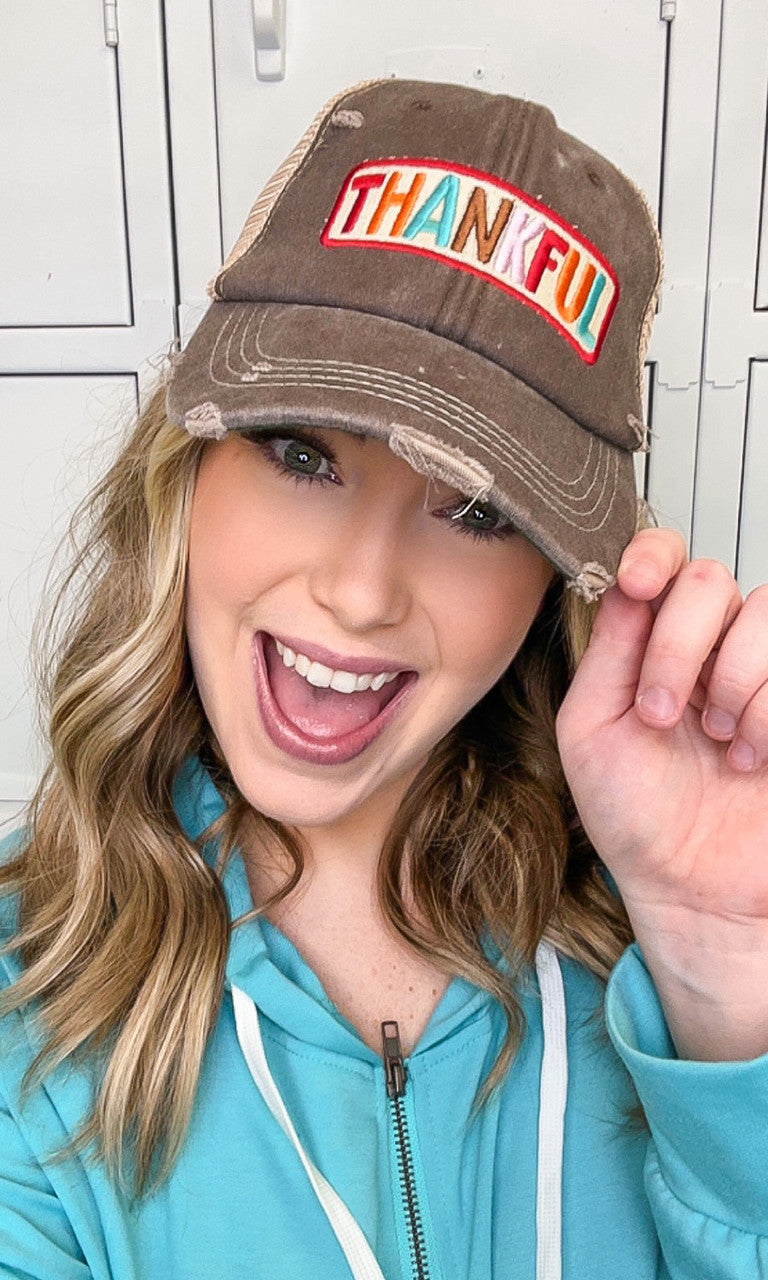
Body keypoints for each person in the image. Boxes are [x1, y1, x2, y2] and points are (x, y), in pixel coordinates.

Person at [1, 77, 767, 1280]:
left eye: (478, 509)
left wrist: (724, 982)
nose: (361, 591)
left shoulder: (662, 940)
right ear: (187, 469)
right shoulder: (26, 992)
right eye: (301, 452)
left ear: (556, 580)